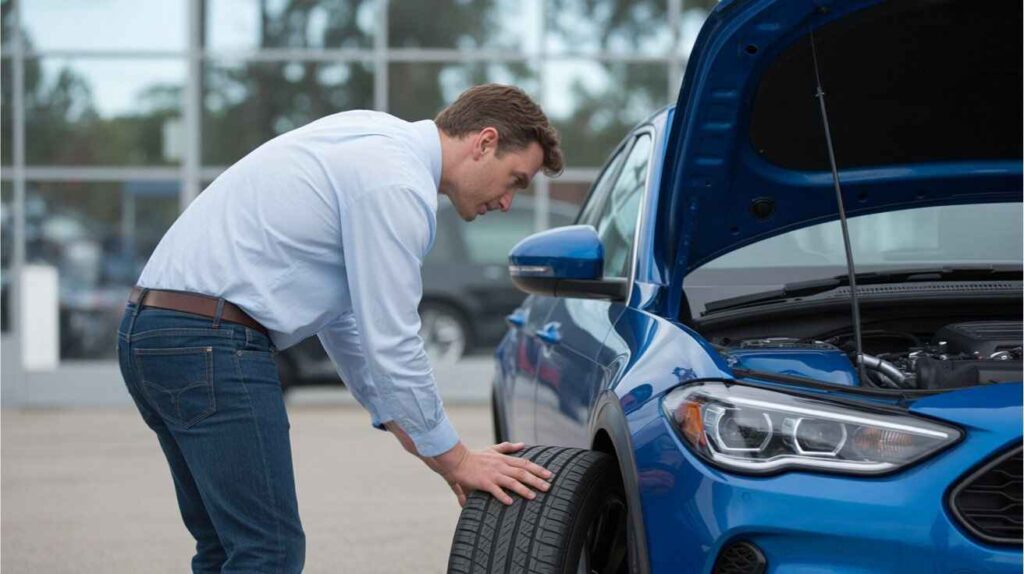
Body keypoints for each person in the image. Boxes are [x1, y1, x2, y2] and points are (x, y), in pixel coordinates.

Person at [116, 84, 564, 573]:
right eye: (515, 179)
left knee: (227, 547)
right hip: (209, 343)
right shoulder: (397, 184)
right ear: (484, 142)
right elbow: (392, 343)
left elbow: (349, 327)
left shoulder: (369, 136)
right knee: (269, 551)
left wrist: (421, 439)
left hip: (154, 332)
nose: (507, 202)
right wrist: (456, 459)